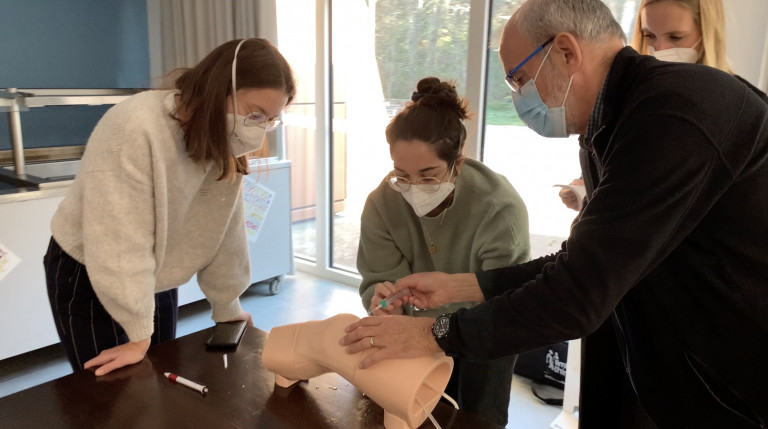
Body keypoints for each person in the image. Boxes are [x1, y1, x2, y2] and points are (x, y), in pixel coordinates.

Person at [340, 0, 768, 427]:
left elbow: (578, 293)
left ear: (565, 51)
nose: (519, 96)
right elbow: (581, 262)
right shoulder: (606, 129)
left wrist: (433, 333)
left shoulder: (677, 112)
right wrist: (464, 285)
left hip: (730, 386)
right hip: (660, 364)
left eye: (520, 79)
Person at [44, 38, 296, 376]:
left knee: (160, 378)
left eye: (269, 120)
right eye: (254, 113)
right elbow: (120, 241)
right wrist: (137, 334)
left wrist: (228, 307)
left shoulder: (221, 136)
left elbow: (225, 228)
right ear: (219, 88)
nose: (258, 129)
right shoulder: (136, 126)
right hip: (89, 266)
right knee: (109, 395)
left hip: (156, 268)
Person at [357, 77, 530, 426]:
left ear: (458, 163)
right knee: (403, 410)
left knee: (477, 418)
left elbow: (505, 304)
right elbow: (378, 281)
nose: (413, 189)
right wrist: (383, 302)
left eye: (429, 175)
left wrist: (441, 331)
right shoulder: (382, 203)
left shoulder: (498, 210)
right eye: (401, 175)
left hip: (484, 337)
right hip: (410, 333)